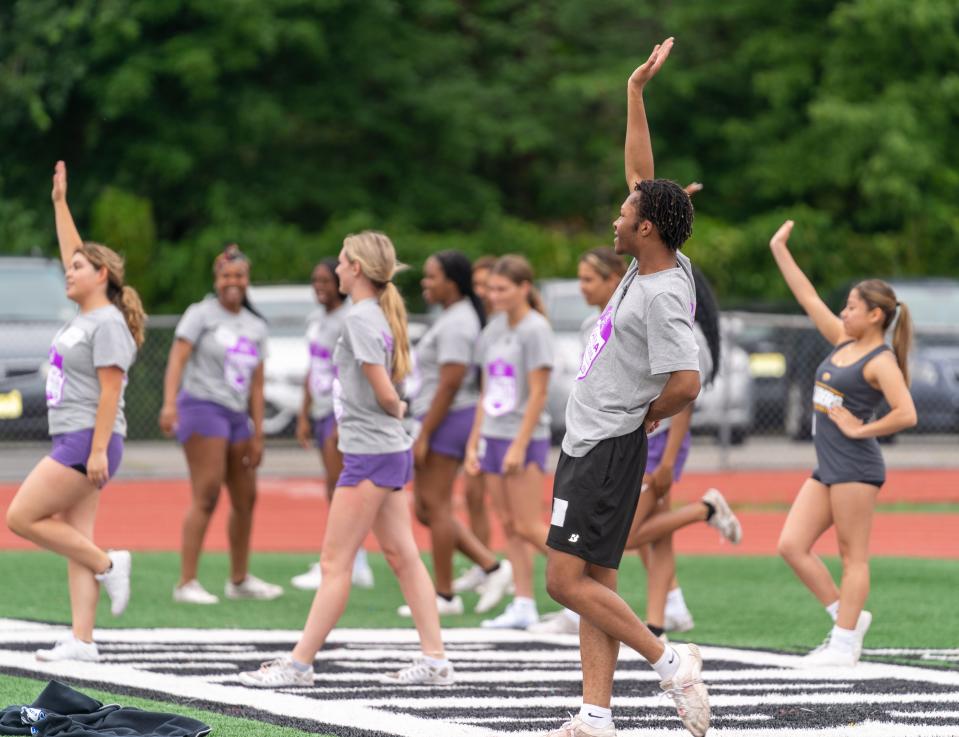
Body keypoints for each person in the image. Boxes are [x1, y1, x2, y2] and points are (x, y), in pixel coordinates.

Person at [541, 39, 711, 737]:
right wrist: (635, 91)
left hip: (606, 443)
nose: (613, 214)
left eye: (622, 210)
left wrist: (642, 414)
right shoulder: (649, 258)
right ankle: (594, 713)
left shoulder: (662, 292)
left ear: (643, 228)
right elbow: (642, 172)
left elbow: (688, 380)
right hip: (593, 436)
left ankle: (671, 659)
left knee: (561, 581)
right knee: (595, 585)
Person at [240, 231, 454, 687]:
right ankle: (435, 659)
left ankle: (299, 664)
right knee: (402, 555)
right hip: (385, 449)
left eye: (341, 261)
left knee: (335, 562)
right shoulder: (374, 314)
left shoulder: (359, 318)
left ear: (356, 268)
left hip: (371, 452)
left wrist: (397, 410)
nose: (336, 269)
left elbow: (383, 391)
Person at [6, 161, 144, 662]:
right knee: (73, 535)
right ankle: (83, 639)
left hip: (87, 438)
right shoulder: (88, 313)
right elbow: (75, 252)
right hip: (78, 436)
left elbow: (111, 391)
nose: (69, 270)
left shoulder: (107, 322)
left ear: (102, 275)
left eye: (79, 268)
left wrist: (100, 451)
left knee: (20, 517)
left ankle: (109, 564)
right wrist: (60, 203)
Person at [771, 219, 917, 667]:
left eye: (852, 306)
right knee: (791, 545)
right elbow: (807, 296)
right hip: (829, 465)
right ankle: (847, 619)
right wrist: (779, 247)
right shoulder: (841, 340)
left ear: (876, 315)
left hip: (856, 465)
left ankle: (843, 644)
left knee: (853, 557)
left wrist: (859, 428)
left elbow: (906, 413)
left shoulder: (880, 359)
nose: (844, 311)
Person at [160, 244, 283, 604]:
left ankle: (239, 578)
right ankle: (186, 582)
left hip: (236, 414)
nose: (233, 281)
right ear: (217, 280)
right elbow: (177, 359)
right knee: (208, 492)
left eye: (240, 275)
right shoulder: (201, 314)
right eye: (227, 275)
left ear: (247, 280)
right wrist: (169, 404)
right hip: (201, 406)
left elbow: (258, 386)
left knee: (246, 497)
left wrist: (259, 433)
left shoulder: (256, 325)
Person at [403, 251, 513, 617]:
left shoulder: (457, 322)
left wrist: (424, 433)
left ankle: (445, 595)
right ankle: (492, 566)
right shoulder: (453, 316)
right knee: (426, 508)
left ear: (451, 282)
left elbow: (450, 383)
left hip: (448, 418)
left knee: (435, 507)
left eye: (431, 277)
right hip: (442, 416)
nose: (425, 283)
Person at [464, 254, 554, 630]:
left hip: (524, 438)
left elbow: (538, 393)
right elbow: (487, 390)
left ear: (524, 288)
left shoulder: (535, 330)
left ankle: (588, 581)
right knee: (509, 525)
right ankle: (523, 602)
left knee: (530, 524)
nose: (494, 295)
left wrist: (519, 444)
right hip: (494, 437)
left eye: (502, 289)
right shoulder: (493, 329)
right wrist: (474, 442)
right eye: (491, 288)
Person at [290, 258, 375, 591]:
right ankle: (349, 557)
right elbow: (314, 367)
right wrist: (303, 413)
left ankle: (353, 560)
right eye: (315, 280)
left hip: (340, 412)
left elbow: (351, 371)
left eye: (326, 280)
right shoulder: (316, 320)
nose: (320, 286)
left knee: (342, 486)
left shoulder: (348, 319)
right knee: (334, 486)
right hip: (322, 409)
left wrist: (344, 416)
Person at [451, 254, 500, 596]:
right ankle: (485, 566)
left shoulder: (508, 323)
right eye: (478, 284)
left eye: (488, 284)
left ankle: (502, 572)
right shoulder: (475, 322)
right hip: (479, 417)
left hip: (501, 422)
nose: (482, 291)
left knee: (512, 513)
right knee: (472, 495)